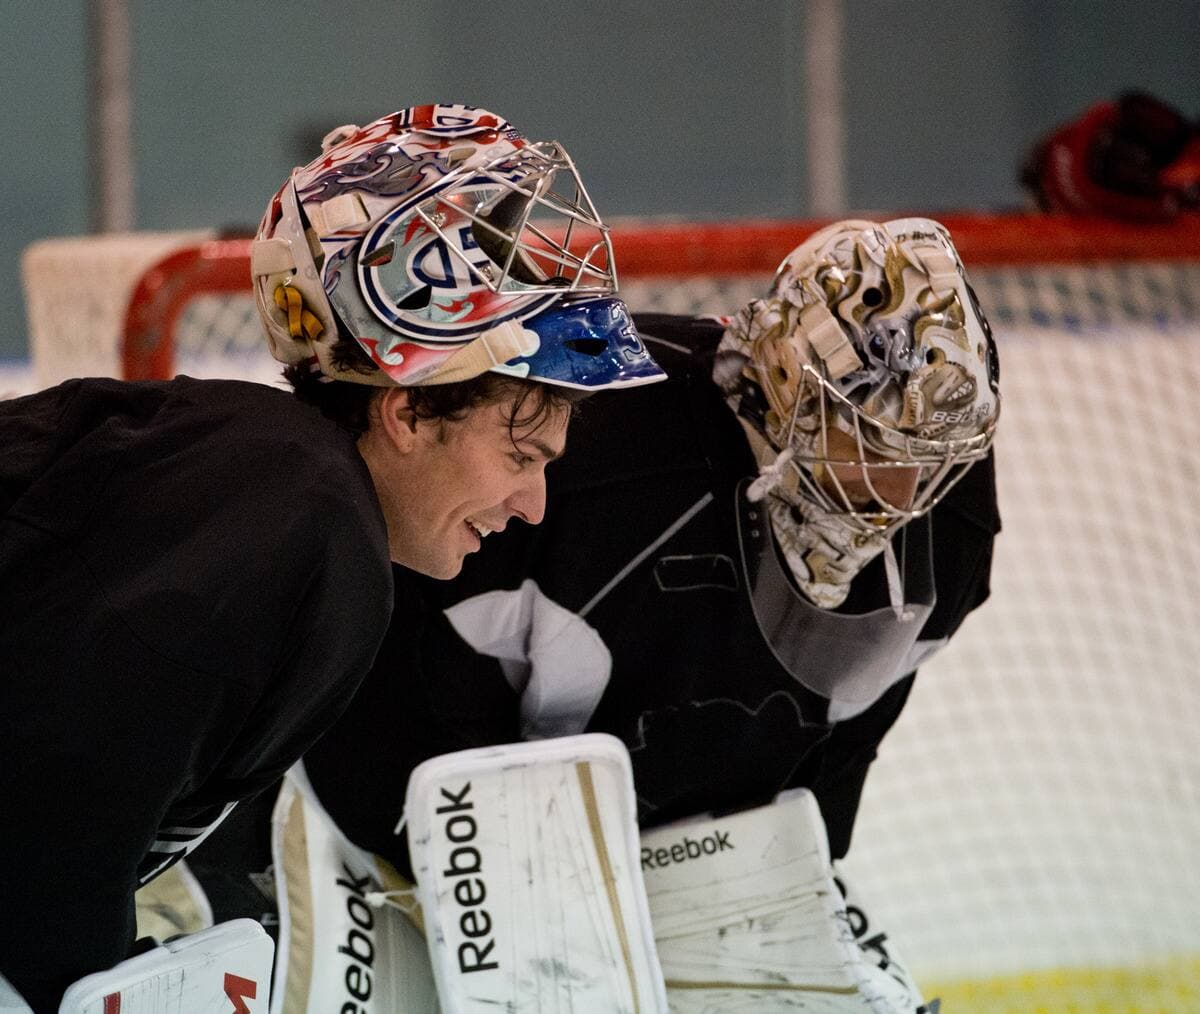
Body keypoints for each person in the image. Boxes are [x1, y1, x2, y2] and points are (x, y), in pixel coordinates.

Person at [0, 103, 662, 1012]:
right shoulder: (300, 523)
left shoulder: (262, 482)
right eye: (518, 456)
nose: (532, 505)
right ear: (406, 412)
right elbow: (52, 809)